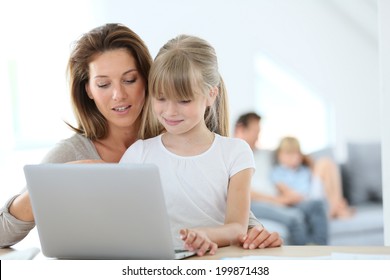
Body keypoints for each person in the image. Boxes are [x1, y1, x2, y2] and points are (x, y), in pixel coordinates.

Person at [0, 24, 282, 250]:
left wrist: (254, 233)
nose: (118, 95)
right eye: (103, 83)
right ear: (87, 89)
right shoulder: (73, 154)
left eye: (130, 79)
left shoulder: (180, 133)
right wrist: (49, 184)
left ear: (149, 79)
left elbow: (228, 213)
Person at [120, 34, 262, 256]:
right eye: (161, 98)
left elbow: (237, 227)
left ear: (210, 94)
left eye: (184, 100)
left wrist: (205, 235)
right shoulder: (139, 154)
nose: (170, 111)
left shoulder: (235, 152)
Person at [235, 112, 329, 245]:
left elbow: (290, 152)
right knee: (295, 218)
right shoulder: (234, 154)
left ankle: (322, 252)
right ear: (240, 129)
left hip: (280, 199)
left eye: (259, 132)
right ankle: (307, 258)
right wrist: (278, 200)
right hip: (256, 203)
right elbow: (243, 191)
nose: (258, 136)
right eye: (255, 132)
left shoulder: (264, 153)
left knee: (316, 206)